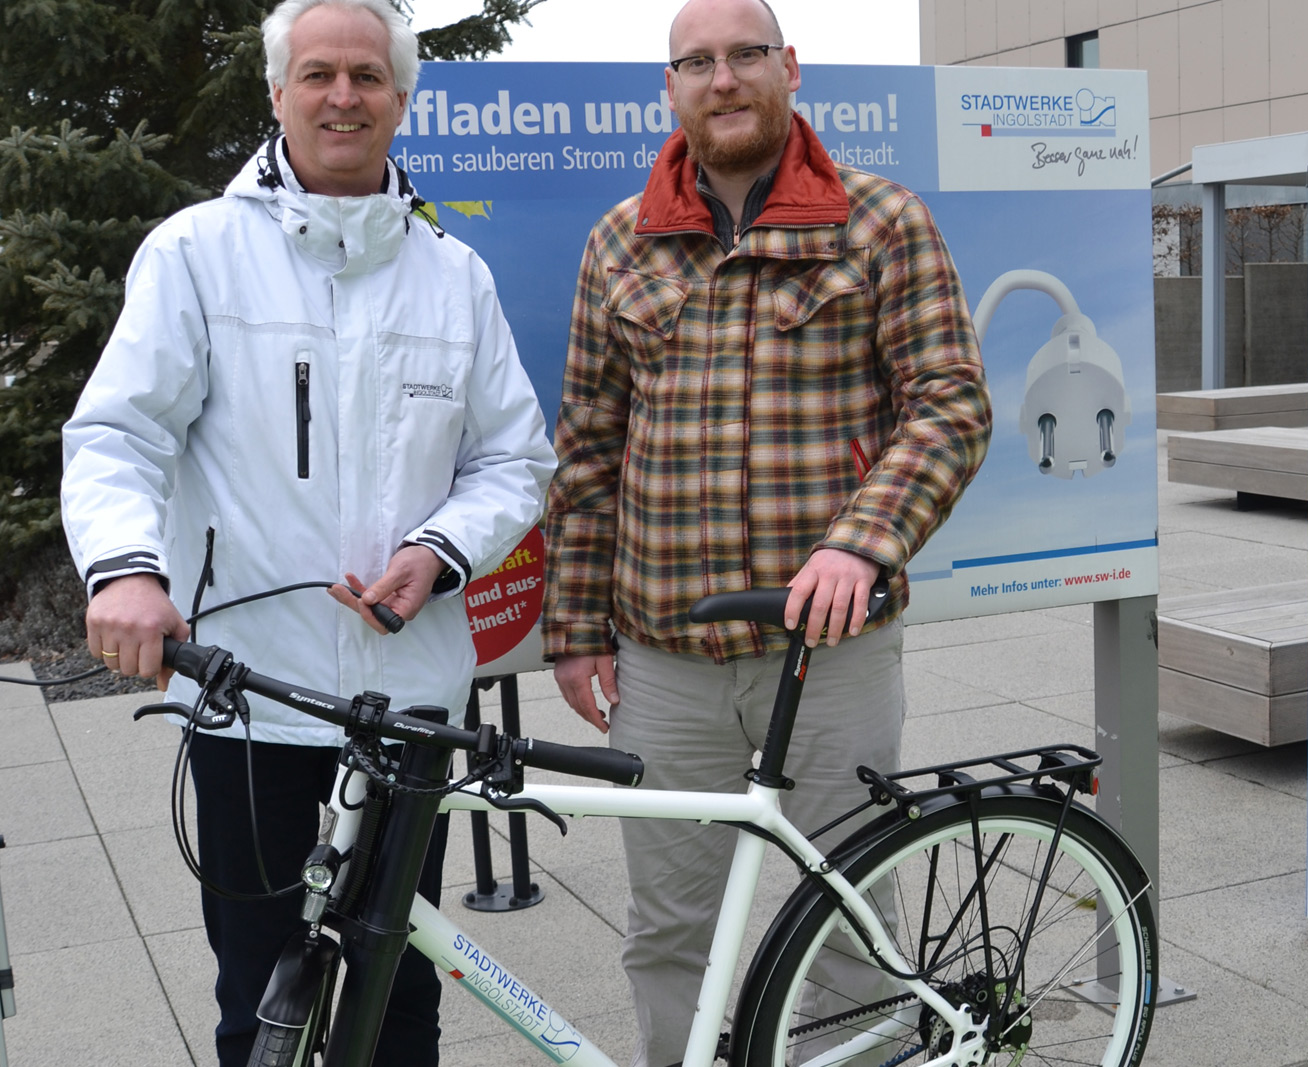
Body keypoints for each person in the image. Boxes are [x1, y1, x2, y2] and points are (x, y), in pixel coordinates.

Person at [58, 1, 556, 1063]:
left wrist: (438, 552)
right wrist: (127, 570)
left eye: (368, 76)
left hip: (408, 711)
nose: (343, 95)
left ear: (401, 99)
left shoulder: (452, 275)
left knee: (398, 1002)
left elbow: (517, 459)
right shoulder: (194, 253)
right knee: (264, 1003)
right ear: (277, 93)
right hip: (252, 706)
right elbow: (117, 434)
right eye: (319, 74)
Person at [539, 1, 991, 1062]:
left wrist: (862, 539)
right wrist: (573, 627)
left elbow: (948, 404)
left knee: (848, 913)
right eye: (695, 62)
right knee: (668, 932)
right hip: (664, 661)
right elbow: (590, 448)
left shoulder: (880, 219)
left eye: (745, 55)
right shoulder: (620, 240)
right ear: (670, 89)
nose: (723, 78)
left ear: (790, 68)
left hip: (826, 654)